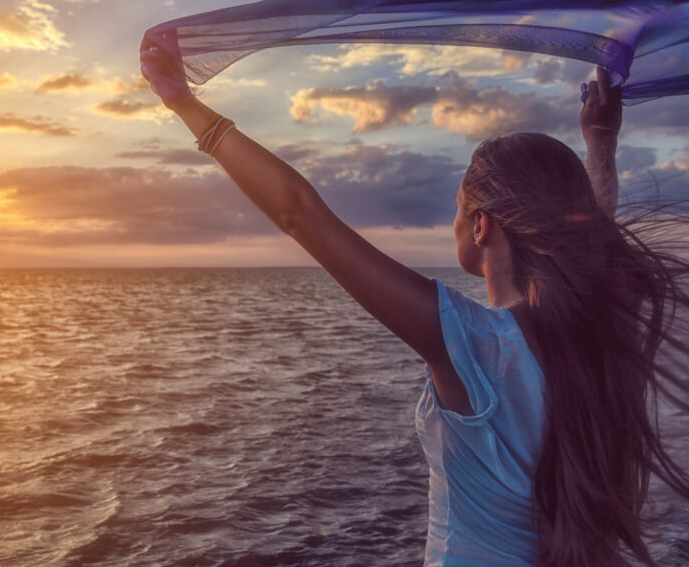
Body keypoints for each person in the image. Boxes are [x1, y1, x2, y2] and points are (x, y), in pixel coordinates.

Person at [141, 43, 689, 566]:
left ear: (480, 226)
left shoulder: (476, 344)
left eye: (458, 207)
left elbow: (300, 215)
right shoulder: (597, 333)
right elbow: (593, 242)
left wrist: (183, 105)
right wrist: (600, 142)